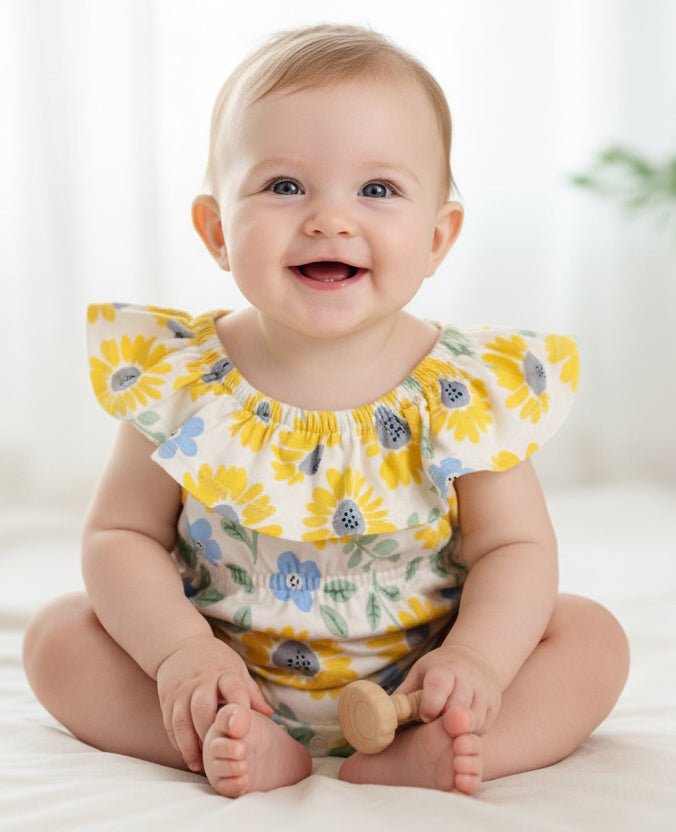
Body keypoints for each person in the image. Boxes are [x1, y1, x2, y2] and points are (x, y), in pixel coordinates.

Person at [23, 24, 629, 798]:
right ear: (215, 231)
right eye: (284, 186)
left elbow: (515, 547)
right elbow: (120, 534)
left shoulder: (466, 388)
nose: (330, 220)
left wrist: (477, 660)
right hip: (226, 677)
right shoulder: (182, 377)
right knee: (57, 637)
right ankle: (227, 743)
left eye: (377, 190)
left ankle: (443, 747)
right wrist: (180, 656)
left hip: (420, 682)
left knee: (592, 638)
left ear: (438, 237)